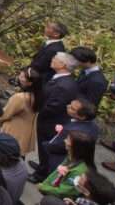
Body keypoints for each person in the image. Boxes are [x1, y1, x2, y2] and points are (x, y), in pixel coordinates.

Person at [31, 51, 81, 183]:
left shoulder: (64, 85)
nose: (52, 59)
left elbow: (54, 106)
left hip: (50, 122)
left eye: (55, 58)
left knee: (46, 147)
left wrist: (38, 111)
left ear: (63, 65)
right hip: (48, 120)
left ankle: (42, 174)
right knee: (43, 147)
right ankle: (42, 167)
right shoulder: (59, 78)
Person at [37, 131, 97, 200]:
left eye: (68, 140)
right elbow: (56, 173)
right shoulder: (71, 156)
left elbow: (64, 192)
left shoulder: (78, 172)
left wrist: (43, 187)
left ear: (76, 147)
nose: (65, 141)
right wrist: (45, 184)